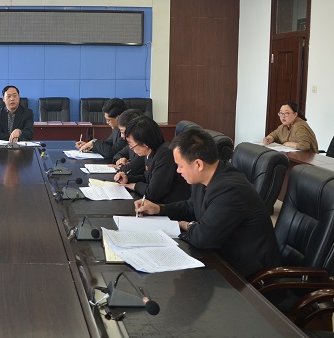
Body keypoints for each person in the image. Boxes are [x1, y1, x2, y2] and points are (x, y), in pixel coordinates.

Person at [135, 127, 280, 280]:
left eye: (180, 166)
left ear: (198, 164)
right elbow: (191, 206)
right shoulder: (207, 176)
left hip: (247, 275)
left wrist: (186, 225)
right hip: (221, 256)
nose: (178, 170)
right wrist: (159, 209)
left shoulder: (229, 190)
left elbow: (202, 238)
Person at [115, 116, 190, 203]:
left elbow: (153, 193)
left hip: (171, 206)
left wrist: (134, 186)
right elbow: (148, 178)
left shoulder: (166, 154)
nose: (132, 149)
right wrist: (128, 179)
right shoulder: (151, 152)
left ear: (145, 143)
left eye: (132, 145)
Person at [111, 109, 145, 176]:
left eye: (123, 132)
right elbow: (117, 155)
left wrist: (124, 166)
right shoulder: (130, 143)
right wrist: (121, 161)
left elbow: (128, 170)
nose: (121, 136)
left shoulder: (142, 146)